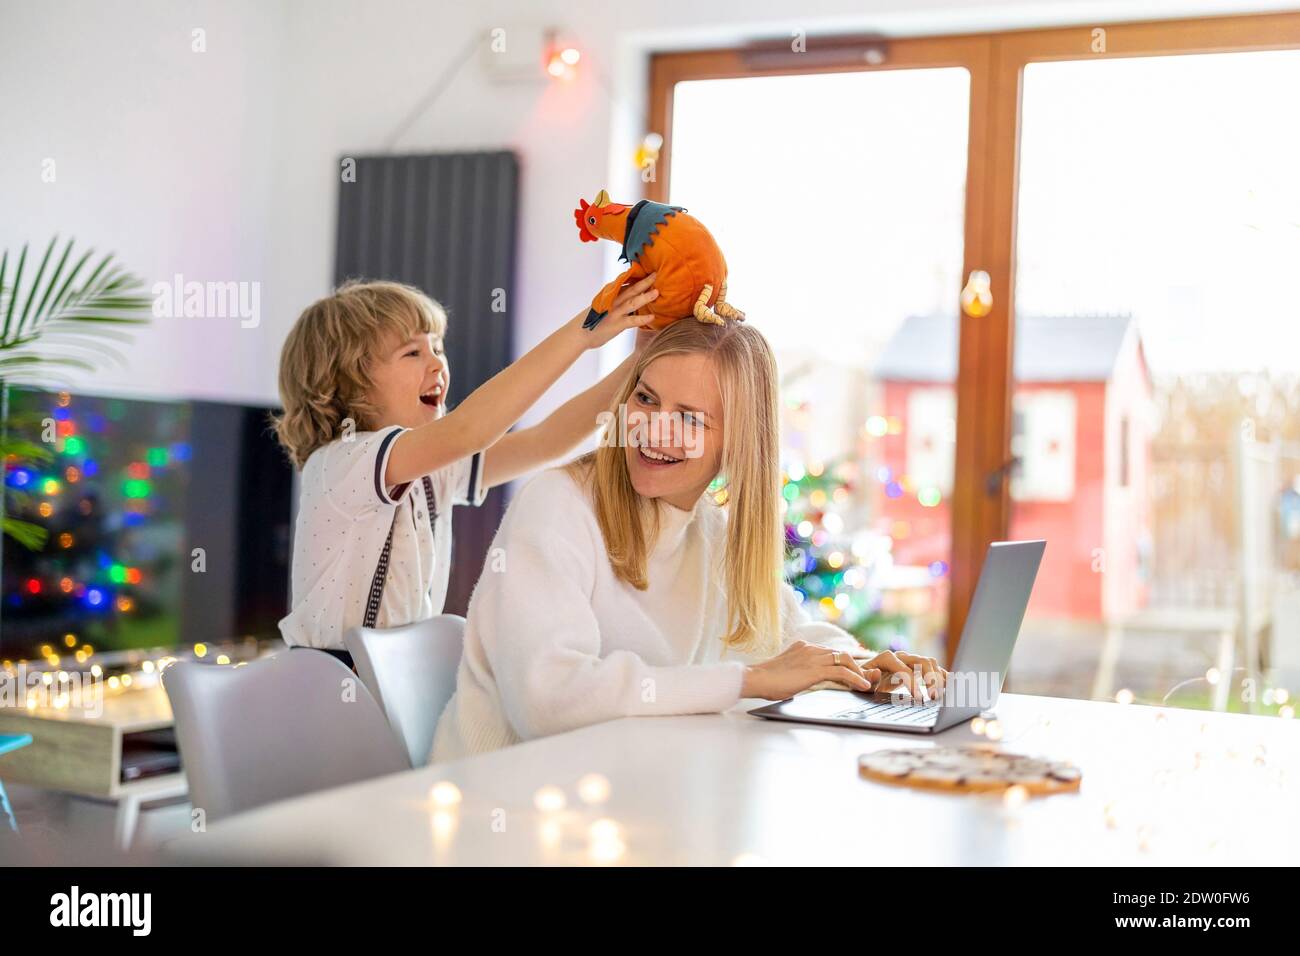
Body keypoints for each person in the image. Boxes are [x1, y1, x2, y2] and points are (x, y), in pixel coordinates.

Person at [433, 318, 947, 760]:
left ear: (739, 442)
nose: (655, 430)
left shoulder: (711, 532)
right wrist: (748, 680)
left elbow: (784, 635)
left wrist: (868, 668)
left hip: (620, 793)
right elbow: (547, 699)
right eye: (646, 398)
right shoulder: (557, 505)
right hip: (500, 808)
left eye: (689, 418)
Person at [272, 276, 658, 664]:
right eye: (412, 353)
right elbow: (469, 430)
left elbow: (546, 440)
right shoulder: (343, 462)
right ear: (348, 382)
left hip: (393, 675)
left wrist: (639, 363)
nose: (438, 362)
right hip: (332, 681)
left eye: (436, 347)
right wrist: (585, 331)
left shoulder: (428, 469)